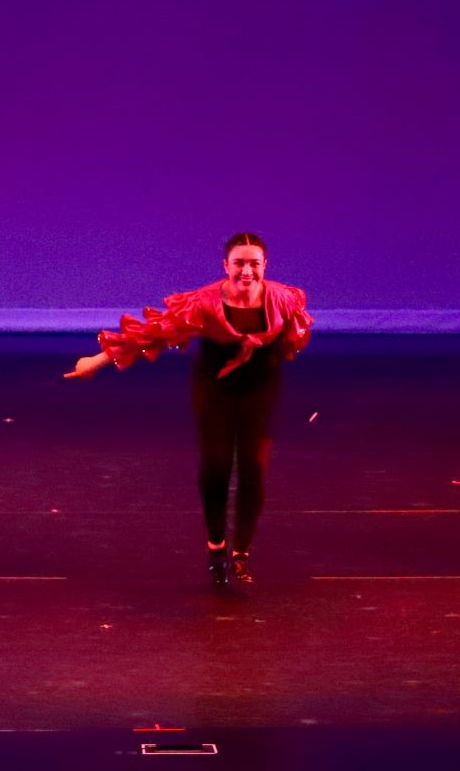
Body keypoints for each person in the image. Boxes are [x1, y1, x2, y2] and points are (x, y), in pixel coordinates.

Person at [66, 233, 312, 587]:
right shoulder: (203, 302)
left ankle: (242, 554)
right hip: (214, 387)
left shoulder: (284, 300)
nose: (246, 271)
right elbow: (152, 333)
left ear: (265, 266)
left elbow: (293, 336)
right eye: (239, 263)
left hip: (261, 386)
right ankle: (216, 548)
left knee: (252, 470)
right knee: (216, 468)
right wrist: (97, 361)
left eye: (253, 264)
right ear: (225, 266)